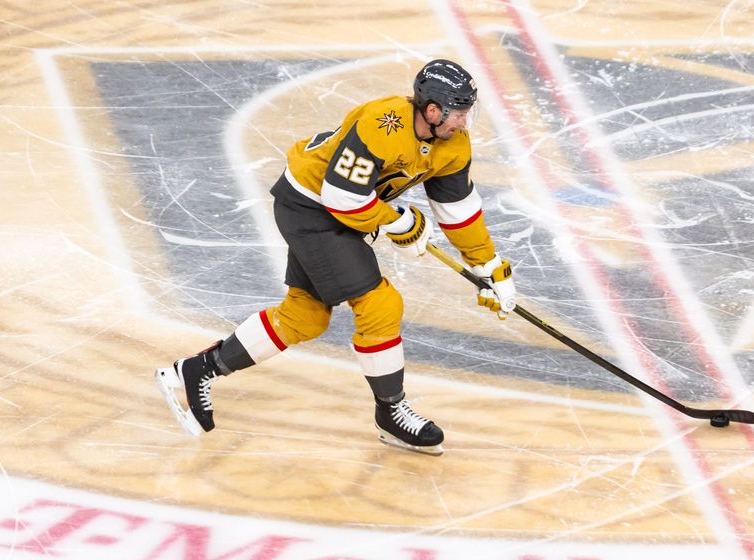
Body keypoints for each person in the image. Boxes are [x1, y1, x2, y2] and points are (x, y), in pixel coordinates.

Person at [155, 59, 516, 455]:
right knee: (380, 304)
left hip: (345, 211)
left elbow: (458, 210)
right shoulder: (383, 123)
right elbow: (340, 197)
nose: (464, 122)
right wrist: (396, 221)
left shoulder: (453, 145)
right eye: (459, 113)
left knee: (304, 317)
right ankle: (391, 413)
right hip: (310, 208)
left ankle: (196, 370)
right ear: (433, 110)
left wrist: (488, 265)